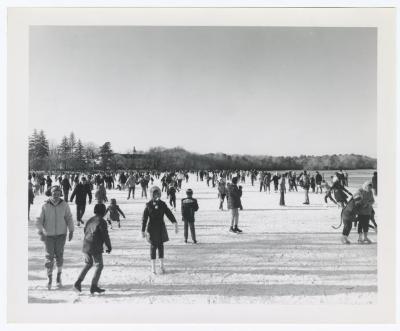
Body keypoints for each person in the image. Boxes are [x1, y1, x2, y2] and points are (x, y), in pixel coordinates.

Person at [36, 185, 74, 290]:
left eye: (58, 193)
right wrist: (40, 232)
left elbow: (69, 217)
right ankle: (49, 279)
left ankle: (58, 277)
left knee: (59, 256)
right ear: (51, 193)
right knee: (49, 257)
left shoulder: (64, 204)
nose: (56, 195)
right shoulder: (45, 205)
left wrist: (71, 230)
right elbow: (39, 220)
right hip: (48, 236)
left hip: (61, 235)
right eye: (54, 193)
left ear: (60, 194)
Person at [74, 203, 112, 294]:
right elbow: (105, 235)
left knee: (88, 264)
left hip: (86, 245)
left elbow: (85, 231)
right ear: (103, 212)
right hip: (95, 247)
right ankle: (94, 286)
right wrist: (108, 246)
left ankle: (78, 282)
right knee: (99, 265)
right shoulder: (102, 221)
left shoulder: (90, 220)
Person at [141, 186, 178, 274]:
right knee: (153, 246)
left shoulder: (162, 204)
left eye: (157, 194)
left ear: (160, 194)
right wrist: (143, 230)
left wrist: (174, 222)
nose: (156, 195)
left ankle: (161, 266)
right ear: (151, 195)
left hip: (161, 227)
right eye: (154, 194)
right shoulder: (148, 205)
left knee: (161, 246)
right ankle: (153, 267)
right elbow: (144, 218)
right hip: (151, 228)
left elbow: (169, 214)